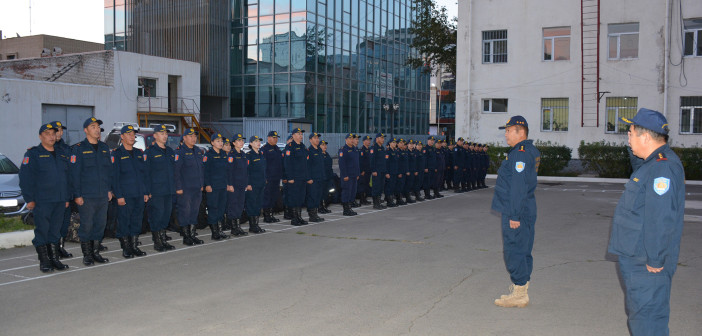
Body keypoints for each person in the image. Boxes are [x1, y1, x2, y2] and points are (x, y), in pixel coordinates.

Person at [609, 108, 685, 335]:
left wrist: (655, 257)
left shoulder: (662, 167)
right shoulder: (652, 163)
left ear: (645, 137)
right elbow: (640, 170)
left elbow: (660, 217)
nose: (628, 138)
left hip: (646, 260)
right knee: (644, 316)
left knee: (647, 320)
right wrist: (635, 149)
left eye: (631, 134)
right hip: (638, 254)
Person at [491, 116, 540, 308]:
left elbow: (518, 187)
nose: (505, 134)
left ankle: (519, 292)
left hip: (517, 210)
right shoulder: (528, 151)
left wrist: (514, 215)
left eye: (508, 130)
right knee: (523, 249)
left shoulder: (520, 154)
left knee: (515, 250)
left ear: (520, 132)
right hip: (525, 208)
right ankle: (521, 290)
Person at [19, 123, 71, 272]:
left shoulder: (62, 154)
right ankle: (44, 261)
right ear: (40, 136)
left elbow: (67, 178)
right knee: (43, 230)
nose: (51, 136)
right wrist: (29, 199)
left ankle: (55, 259)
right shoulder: (33, 154)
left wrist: (67, 197)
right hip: (42, 200)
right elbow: (25, 178)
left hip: (60, 199)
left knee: (55, 231)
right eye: (47, 133)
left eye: (53, 133)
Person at [70, 117, 112, 266]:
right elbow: (75, 174)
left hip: (102, 194)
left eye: (98, 126)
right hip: (86, 196)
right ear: (86, 130)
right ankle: (87, 255)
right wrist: (77, 195)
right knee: (87, 225)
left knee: (100, 225)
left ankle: (96, 252)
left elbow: (108, 172)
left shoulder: (104, 148)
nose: (96, 129)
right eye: (93, 126)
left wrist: (109, 190)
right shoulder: (78, 148)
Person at [111, 125, 148, 258]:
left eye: (133, 134)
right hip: (125, 195)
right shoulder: (117, 153)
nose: (132, 137)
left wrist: (145, 192)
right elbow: (114, 177)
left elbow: (144, 175)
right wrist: (119, 195)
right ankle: (126, 248)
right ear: (122, 136)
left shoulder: (139, 153)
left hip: (138, 194)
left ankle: (134, 246)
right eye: (129, 134)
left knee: (137, 221)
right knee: (124, 221)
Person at [144, 124, 177, 251]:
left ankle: (163, 239)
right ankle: (157, 241)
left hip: (168, 189)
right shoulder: (150, 152)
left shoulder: (170, 151)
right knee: (156, 216)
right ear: (155, 135)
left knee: (166, 215)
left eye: (166, 134)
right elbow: (146, 173)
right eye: (162, 134)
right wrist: (148, 191)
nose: (165, 136)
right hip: (156, 190)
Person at [174, 128, 205, 245]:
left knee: (194, 211)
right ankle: (186, 236)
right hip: (185, 188)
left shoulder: (197, 151)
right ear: (185, 138)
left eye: (195, 136)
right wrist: (178, 187)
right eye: (190, 136)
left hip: (197, 187)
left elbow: (201, 169)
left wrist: (202, 184)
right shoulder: (180, 152)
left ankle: (192, 234)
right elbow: (176, 172)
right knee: (184, 211)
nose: (193, 138)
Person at [51, 121, 73, 259]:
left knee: (64, 224)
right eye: (56, 130)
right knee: (53, 224)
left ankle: (60, 247)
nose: (59, 133)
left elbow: (72, 173)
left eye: (60, 130)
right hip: (52, 195)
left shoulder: (67, 149)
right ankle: (51, 251)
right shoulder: (45, 149)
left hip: (66, 194)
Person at [204, 132, 231, 240]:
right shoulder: (208, 155)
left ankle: (220, 230)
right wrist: (208, 185)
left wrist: (228, 184)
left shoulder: (223, 154)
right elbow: (206, 171)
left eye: (221, 141)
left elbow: (226, 171)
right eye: (218, 141)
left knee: (221, 208)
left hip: (222, 185)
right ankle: (214, 232)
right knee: (213, 208)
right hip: (213, 186)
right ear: (212, 143)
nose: (221, 143)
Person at [284, 128, 310, 226]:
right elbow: (287, 163)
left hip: (302, 177)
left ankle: (299, 217)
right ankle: (294, 218)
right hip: (294, 178)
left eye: (301, 134)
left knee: (300, 198)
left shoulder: (303, 146)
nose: (300, 136)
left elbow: (306, 163)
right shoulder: (290, 147)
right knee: (294, 198)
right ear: (293, 135)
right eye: (298, 134)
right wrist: (290, 177)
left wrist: (307, 176)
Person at [225, 133, 249, 236]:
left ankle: (238, 226)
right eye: (239, 141)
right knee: (233, 206)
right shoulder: (231, 155)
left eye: (242, 140)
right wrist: (229, 184)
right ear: (234, 143)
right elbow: (229, 171)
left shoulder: (243, 154)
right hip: (234, 185)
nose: (241, 142)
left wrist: (247, 183)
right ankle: (233, 228)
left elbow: (246, 171)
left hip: (241, 185)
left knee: (240, 206)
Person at [245, 135, 267, 233]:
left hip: (261, 183)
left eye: (259, 141)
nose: (258, 143)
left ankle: (256, 225)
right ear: (251, 144)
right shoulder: (249, 155)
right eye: (256, 141)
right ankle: (252, 226)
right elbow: (247, 171)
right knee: (252, 205)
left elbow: (263, 169)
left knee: (258, 204)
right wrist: (248, 184)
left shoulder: (261, 154)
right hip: (253, 184)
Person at [262, 131, 283, 223]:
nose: (276, 139)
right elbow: (263, 165)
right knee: (267, 197)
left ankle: (271, 215)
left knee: (274, 196)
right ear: (268, 138)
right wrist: (264, 177)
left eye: (276, 137)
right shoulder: (264, 149)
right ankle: (266, 216)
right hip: (269, 178)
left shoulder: (277, 149)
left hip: (276, 177)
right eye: (274, 137)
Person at [306, 132, 326, 222]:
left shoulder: (319, 150)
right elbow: (307, 166)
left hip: (320, 178)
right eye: (315, 138)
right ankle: (312, 215)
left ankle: (316, 214)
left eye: (318, 138)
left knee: (318, 196)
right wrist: (309, 178)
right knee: (312, 196)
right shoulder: (309, 151)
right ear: (310, 140)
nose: (317, 139)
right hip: (312, 179)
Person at [339, 133, 361, 215]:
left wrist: (357, 173)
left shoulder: (355, 149)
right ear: (346, 140)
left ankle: (349, 208)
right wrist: (344, 175)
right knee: (346, 192)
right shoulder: (343, 149)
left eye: (352, 139)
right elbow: (342, 164)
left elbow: (357, 163)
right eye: (350, 139)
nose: (352, 140)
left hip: (354, 175)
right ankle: (346, 210)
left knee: (352, 192)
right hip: (347, 176)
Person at [369, 133, 388, 210]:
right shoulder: (374, 148)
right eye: (381, 138)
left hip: (382, 171)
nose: (383, 139)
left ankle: (379, 202)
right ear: (377, 139)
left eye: (383, 138)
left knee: (380, 187)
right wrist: (373, 170)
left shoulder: (382, 148)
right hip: (376, 171)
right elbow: (372, 160)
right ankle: (375, 204)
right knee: (376, 187)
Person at [319, 140, 333, 213]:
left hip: (328, 177)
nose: (325, 146)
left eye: (325, 145)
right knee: (321, 193)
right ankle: (320, 207)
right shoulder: (319, 155)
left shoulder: (327, 155)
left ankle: (324, 206)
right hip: (322, 178)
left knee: (326, 193)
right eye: (323, 145)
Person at [358, 135, 373, 205]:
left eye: (369, 140)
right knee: (362, 185)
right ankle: (362, 199)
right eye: (367, 140)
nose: (369, 141)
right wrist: (362, 171)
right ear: (364, 141)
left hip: (368, 170)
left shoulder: (370, 150)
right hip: (364, 171)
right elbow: (361, 162)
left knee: (367, 185)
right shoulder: (362, 150)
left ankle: (365, 198)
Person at [384, 138, 399, 207]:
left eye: (395, 142)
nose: (394, 144)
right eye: (393, 142)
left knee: (393, 186)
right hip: (389, 172)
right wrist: (386, 172)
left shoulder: (395, 151)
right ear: (390, 143)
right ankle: (389, 201)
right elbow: (386, 163)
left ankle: (391, 200)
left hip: (394, 172)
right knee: (388, 187)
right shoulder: (387, 152)